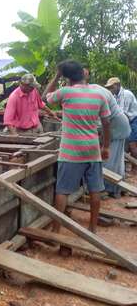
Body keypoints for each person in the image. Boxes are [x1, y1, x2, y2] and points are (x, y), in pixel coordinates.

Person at [44, 60, 110, 233]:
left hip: (70, 151)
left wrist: (57, 75)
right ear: (83, 73)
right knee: (95, 189)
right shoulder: (99, 95)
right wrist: (106, 147)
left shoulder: (66, 93)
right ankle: (93, 228)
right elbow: (106, 123)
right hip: (93, 149)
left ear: (67, 77)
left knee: (63, 191)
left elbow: (45, 96)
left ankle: (56, 230)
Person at [84, 70, 130, 198]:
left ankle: (108, 188)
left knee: (109, 159)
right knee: (117, 159)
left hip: (117, 125)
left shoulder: (94, 93)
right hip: (119, 124)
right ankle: (117, 188)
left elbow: (102, 120)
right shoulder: (94, 89)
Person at [105, 77, 137, 168]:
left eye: (112, 87)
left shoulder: (126, 94)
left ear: (118, 85)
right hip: (125, 121)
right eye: (109, 88)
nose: (110, 89)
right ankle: (129, 167)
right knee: (124, 145)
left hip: (133, 120)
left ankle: (135, 166)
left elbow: (123, 114)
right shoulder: (115, 96)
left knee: (132, 145)